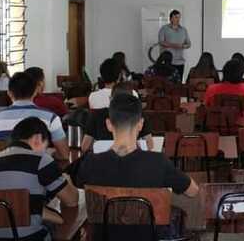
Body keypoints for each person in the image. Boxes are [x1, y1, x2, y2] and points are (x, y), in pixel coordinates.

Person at [74, 93, 199, 240]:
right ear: (140, 124)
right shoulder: (159, 162)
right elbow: (193, 191)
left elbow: (78, 195)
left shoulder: (90, 163)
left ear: (108, 124)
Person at [0, 117, 79, 240]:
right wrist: (67, 179)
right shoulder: (41, 160)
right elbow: (72, 201)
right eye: (46, 146)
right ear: (38, 138)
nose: (45, 151)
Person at [0, 72, 70, 160]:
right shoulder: (51, 118)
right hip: (36, 171)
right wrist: (49, 153)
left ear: (9, 93)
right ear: (34, 92)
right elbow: (64, 155)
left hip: (0, 171)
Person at [81, 84, 154, 153]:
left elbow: (85, 147)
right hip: (135, 161)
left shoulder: (96, 115)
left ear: (111, 99)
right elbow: (150, 145)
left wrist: (98, 148)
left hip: (103, 162)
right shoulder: (139, 115)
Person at [158, 9, 191, 80]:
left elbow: (188, 44)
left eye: (179, 17)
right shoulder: (164, 29)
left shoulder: (183, 30)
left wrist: (183, 46)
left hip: (180, 61)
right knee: (168, 83)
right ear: (171, 18)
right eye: (176, 17)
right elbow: (161, 42)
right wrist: (174, 45)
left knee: (178, 83)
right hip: (167, 62)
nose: (178, 19)